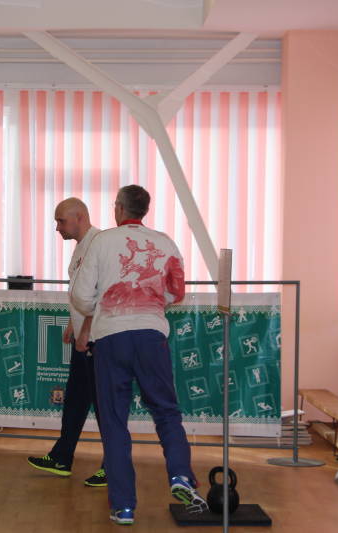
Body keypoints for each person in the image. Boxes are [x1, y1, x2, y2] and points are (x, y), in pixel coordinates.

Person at [70, 184, 208, 525]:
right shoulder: (165, 243)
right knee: (166, 412)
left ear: (119, 208)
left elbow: (81, 296)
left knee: (114, 422)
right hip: (151, 337)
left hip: (111, 338)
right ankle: (180, 475)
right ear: (144, 209)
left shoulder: (102, 241)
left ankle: (124, 507)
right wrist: (149, 301)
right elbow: (177, 293)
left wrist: (105, 306)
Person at [27, 198, 106, 487]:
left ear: (80, 217)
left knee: (104, 405)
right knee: (75, 399)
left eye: (61, 221)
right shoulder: (81, 247)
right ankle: (62, 458)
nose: (57, 227)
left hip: (97, 339)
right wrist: (74, 322)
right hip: (84, 335)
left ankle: (113, 466)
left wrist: (85, 328)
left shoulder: (99, 244)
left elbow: (101, 295)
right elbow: (81, 292)